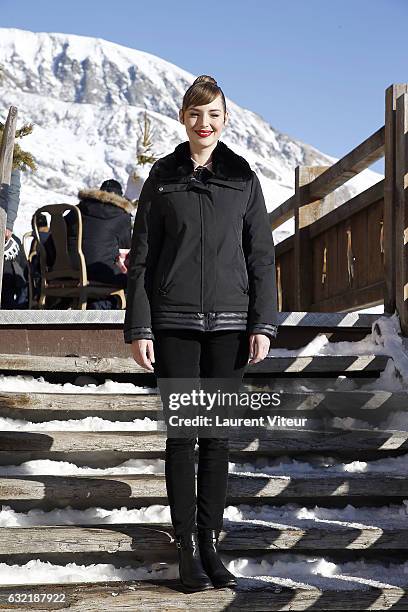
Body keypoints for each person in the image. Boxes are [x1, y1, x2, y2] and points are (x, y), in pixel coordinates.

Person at [124, 75, 278, 591]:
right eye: (195, 114)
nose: (203, 123)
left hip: (231, 327)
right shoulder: (162, 178)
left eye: (212, 114)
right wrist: (140, 325)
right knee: (183, 437)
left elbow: (261, 256)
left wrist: (263, 323)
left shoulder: (244, 179)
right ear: (182, 118)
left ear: (225, 119)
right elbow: (142, 257)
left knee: (216, 440)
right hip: (175, 325)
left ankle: (211, 545)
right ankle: (186, 547)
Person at [61, 179, 135, 309]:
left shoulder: (76, 210)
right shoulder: (122, 216)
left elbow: (57, 237)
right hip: (98, 270)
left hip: (68, 268)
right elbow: (126, 247)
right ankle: (102, 306)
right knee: (135, 282)